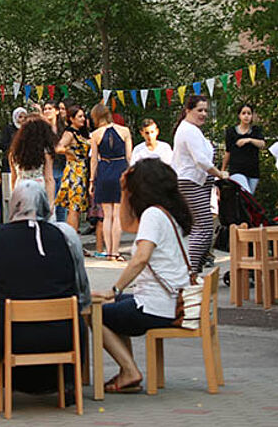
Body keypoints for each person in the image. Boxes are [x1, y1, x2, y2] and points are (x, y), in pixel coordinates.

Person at [0, 180, 90, 410]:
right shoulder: (63, 236)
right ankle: (68, 384)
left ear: (13, 206)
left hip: (3, 336)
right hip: (60, 335)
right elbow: (80, 286)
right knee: (78, 326)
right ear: (45, 206)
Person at [94, 158, 192, 393]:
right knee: (107, 306)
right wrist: (123, 191)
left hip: (156, 306)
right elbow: (127, 225)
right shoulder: (167, 213)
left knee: (94, 314)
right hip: (171, 302)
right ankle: (127, 372)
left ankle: (129, 371)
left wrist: (115, 289)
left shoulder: (152, 215)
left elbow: (141, 258)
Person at [173, 96, 229, 273]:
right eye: (199, 110)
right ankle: (190, 270)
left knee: (204, 228)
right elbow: (201, 160)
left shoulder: (193, 130)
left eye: (206, 110)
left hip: (199, 182)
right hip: (190, 182)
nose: (204, 114)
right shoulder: (188, 130)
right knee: (203, 228)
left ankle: (194, 269)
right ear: (188, 111)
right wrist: (219, 173)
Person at [89, 103, 132, 261]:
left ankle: (108, 252)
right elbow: (129, 157)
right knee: (117, 215)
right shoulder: (125, 131)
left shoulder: (95, 135)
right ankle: (115, 251)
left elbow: (94, 160)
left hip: (104, 170)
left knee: (107, 216)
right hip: (120, 169)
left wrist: (91, 180)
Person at [55, 105, 90, 232]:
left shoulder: (81, 132)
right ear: (71, 118)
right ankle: (72, 236)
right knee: (73, 208)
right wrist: (69, 152)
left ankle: (73, 235)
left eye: (83, 116)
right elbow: (58, 148)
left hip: (83, 171)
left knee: (77, 208)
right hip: (75, 171)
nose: (83, 119)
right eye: (79, 116)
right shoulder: (69, 133)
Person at [9, 115, 56, 205]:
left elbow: (13, 178)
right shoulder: (45, 153)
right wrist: (50, 203)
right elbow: (49, 179)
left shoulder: (14, 153)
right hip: (39, 190)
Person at [221, 104, 266, 194]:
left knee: (248, 198)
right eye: (243, 113)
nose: (246, 116)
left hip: (253, 171)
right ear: (239, 115)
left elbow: (262, 144)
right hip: (236, 170)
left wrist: (249, 140)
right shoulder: (231, 132)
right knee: (246, 193)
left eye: (249, 113)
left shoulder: (256, 130)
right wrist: (222, 170)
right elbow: (228, 152)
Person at [43, 100, 68, 222]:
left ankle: (62, 227)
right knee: (49, 203)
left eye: (50, 108)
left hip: (62, 167)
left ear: (57, 111)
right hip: (47, 168)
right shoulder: (42, 129)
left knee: (62, 205)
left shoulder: (63, 128)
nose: (47, 111)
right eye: (45, 109)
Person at [0, 107, 27, 174]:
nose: (23, 119)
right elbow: (3, 145)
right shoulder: (8, 129)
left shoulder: (28, 129)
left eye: (25, 117)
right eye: (20, 117)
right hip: (11, 160)